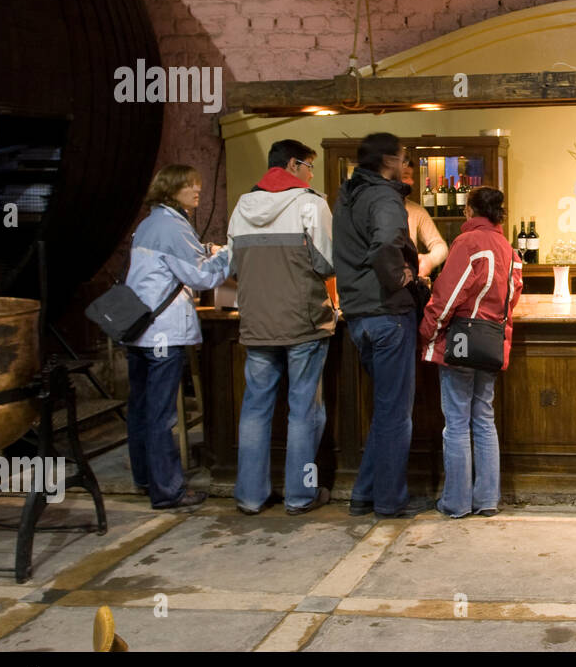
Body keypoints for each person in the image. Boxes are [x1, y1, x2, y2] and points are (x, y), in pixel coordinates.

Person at [227, 139, 336, 516]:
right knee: (303, 410)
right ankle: (300, 494)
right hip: (302, 322)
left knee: (255, 410)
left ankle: (250, 497)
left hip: (256, 322)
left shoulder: (242, 205)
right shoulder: (310, 203)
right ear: (293, 165)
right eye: (309, 165)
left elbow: (232, 267)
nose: (311, 174)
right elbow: (326, 263)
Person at [124, 165, 231, 510]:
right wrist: (232, 252)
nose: (197, 191)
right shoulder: (172, 225)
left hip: (137, 328)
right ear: (172, 190)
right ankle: (168, 490)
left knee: (141, 409)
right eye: (190, 186)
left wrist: (201, 249)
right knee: (161, 414)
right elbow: (202, 276)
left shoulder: (149, 223)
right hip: (162, 333)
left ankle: (145, 476)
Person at [332, 132, 425, 517]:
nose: (407, 166)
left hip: (358, 316)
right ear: (388, 160)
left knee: (385, 410)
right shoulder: (385, 196)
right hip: (388, 313)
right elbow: (386, 243)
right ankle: (389, 501)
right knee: (394, 413)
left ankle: (364, 493)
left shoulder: (346, 196)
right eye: (404, 158)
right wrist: (399, 279)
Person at [419, 186, 523, 518]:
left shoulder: (467, 243)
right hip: (491, 340)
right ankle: (487, 499)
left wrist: (428, 332)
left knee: (457, 423)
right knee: (483, 419)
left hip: (462, 339)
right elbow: (514, 291)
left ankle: (457, 502)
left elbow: (447, 296)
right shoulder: (507, 247)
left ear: (469, 211)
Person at [401, 152, 448, 280]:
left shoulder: (416, 211)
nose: (411, 182)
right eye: (405, 176)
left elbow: (440, 246)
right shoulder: (371, 209)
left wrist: (429, 260)